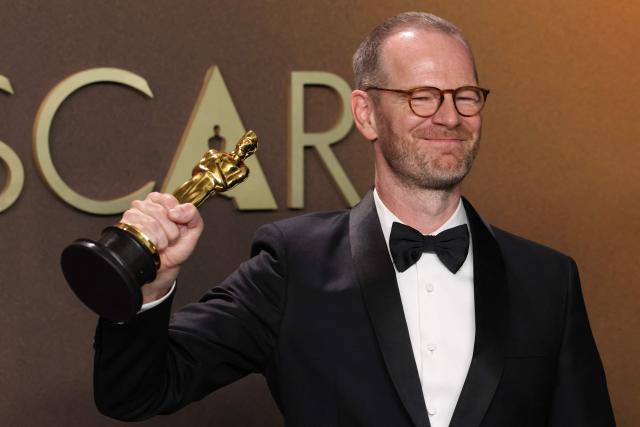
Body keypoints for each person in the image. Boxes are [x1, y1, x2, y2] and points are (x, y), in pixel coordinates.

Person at [93, 12, 615, 427]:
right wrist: (151, 286)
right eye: (422, 96)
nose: (450, 116)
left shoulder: (549, 280)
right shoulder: (293, 265)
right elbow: (136, 393)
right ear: (365, 113)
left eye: (465, 96)